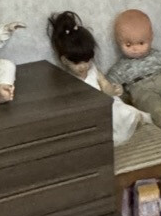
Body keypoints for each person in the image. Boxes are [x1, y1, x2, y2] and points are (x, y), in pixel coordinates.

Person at [48, 10, 149, 147]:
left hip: (105, 103)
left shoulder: (93, 69)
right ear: (64, 60)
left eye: (87, 60)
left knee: (122, 112)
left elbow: (104, 85)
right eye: (77, 63)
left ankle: (135, 119)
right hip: (87, 110)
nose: (84, 66)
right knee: (95, 127)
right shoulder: (67, 78)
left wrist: (113, 90)